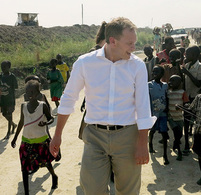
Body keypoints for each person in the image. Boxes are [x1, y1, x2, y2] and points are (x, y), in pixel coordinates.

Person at [49, 17, 156, 195]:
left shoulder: (137, 66)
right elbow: (68, 98)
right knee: (92, 189)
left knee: (128, 191)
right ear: (112, 41)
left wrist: (142, 143)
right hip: (94, 137)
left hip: (128, 136)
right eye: (129, 43)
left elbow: (143, 106)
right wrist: (57, 135)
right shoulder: (85, 63)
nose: (133, 48)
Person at [11, 80, 57, 195]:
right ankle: (27, 193)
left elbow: (51, 118)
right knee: (24, 168)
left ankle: (54, 176)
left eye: (32, 92)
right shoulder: (23, 106)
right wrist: (15, 138)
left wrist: (46, 123)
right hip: (26, 142)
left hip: (41, 141)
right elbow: (21, 122)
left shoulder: (43, 106)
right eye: (27, 92)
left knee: (46, 163)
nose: (29, 94)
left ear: (38, 93)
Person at [182, 46, 201, 153]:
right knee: (186, 121)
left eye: (188, 54)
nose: (186, 56)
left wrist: (187, 73)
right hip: (187, 97)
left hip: (196, 98)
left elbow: (199, 84)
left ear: (195, 55)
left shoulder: (200, 67)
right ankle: (187, 142)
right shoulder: (187, 65)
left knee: (196, 121)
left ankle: (196, 144)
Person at [148, 66, 169, 164]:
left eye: (157, 71)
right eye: (154, 71)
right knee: (152, 131)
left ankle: (165, 155)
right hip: (153, 114)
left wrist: (167, 108)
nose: (154, 72)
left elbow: (167, 97)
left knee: (164, 133)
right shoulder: (149, 85)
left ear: (162, 74)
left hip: (163, 113)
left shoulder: (165, 85)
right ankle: (150, 145)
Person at [168, 75, 189, 161]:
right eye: (170, 81)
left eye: (174, 81)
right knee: (176, 132)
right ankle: (179, 152)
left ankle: (175, 143)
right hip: (171, 117)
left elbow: (186, 104)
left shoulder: (182, 92)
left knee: (179, 134)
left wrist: (181, 107)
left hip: (180, 117)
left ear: (179, 83)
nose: (171, 83)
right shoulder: (168, 92)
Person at [0, 60, 18, 139]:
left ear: (9, 67)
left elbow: (16, 87)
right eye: (1, 67)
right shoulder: (0, 76)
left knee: (10, 115)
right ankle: (13, 125)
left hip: (10, 99)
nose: (3, 68)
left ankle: (8, 132)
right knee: (4, 114)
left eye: (4, 67)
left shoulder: (12, 77)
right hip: (2, 100)